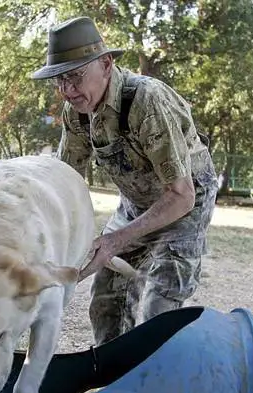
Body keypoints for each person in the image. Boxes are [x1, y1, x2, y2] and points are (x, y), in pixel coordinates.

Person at [30, 16, 219, 346]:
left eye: (74, 76)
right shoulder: (76, 111)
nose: (67, 90)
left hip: (185, 202)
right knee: (107, 298)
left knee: (160, 307)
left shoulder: (147, 101)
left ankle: (154, 380)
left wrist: (117, 240)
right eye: (59, 81)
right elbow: (65, 179)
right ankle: (112, 378)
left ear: (105, 64)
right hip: (136, 202)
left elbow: (181, 195)